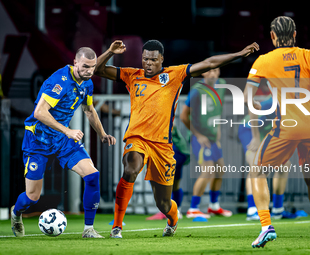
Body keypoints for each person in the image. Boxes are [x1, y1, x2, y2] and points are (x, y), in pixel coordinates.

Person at [95, 39, 259, 238]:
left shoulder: (174, 74)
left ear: (161, 59)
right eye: (145, 59)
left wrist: (239, 54)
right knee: (131, 168)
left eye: (153, 60)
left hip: (163, 147)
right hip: (137, 138)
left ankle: (172, 219)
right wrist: (110, 52)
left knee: (163, 203)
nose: (148, 63)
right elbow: (97, 70)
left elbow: (209, 63)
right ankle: (117, 226)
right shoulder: (132, 75)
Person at [244, 16, 310, 248]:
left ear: (272, 36)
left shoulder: (263, 60)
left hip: (285, 126)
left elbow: (247, 96)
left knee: (256, 172)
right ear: (295, 35)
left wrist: (256, 121)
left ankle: (266, 226)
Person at [10, 47, 116, 238]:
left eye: (92, 67)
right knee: (32, 197)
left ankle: (88, 230)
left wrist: (102, 133)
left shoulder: (87, 83)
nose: (89, 71)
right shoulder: (60, 81)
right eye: (85, 67)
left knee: (92, 176)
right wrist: (68, 130)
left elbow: (89, 110)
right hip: (38, 139)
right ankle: (16, 214)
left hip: (62, 139)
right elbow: (39, 113)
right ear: (75, 62)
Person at [180, 68, 232, 219]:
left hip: (213, 137)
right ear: (203, 73)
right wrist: (198, 135)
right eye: (209, 71)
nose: (213, 74)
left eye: (216, 71)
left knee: (220, 169)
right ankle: (193, 208)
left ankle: (214, 206)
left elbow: (217, 110)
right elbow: (184, 116)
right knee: (208, 170)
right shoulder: (196, 91)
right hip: (200, 138)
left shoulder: (221, 85)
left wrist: (218, 130)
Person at [239, 94, 298, 220]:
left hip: (268, 131)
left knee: (284, 165)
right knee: (255, 164)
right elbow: (252, 111)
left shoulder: (298, 104)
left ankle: (277, 210)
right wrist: (255, 137)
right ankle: (252, 210)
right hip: (250, 129)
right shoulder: (275, 101)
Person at [146, 125, 190, 220]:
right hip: (181, 151)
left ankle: (167, 210)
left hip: (174, 150)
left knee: (157, 177)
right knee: (174, 184)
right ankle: (176, 210)